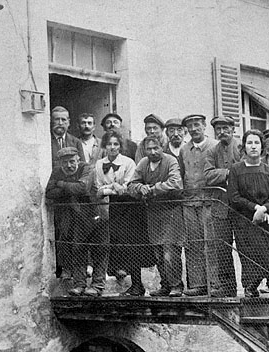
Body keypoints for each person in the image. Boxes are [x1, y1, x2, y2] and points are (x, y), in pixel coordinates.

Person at [228, 130, 269, 313]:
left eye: (257, 143)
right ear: (244, 146)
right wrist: (256, 209)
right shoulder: (236, 170)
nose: (253, 146)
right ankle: (251, 289)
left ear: (262, 147)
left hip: (267, 220)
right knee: (253, 259)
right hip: (246, 222)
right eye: (249, 143)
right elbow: (234, 197)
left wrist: (265, 208)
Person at [93, 131, 152, 290]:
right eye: (109, 144)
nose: (112, 147)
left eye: (116, 144)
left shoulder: (129, 163)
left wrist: (110, 189)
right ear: (105, 146)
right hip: (110, 207)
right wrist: (112, 187)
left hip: (129, 207)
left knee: (130, 244)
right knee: (115, 242)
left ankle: (137, 285)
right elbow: (98, 188)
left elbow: (127, 187)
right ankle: (119, 275)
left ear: (120, 146)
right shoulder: (99, 164)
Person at [127, 135, 183, 296]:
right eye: (149, 149)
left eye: (155, 148)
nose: (152, 152)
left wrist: (152, 189)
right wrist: (139, 188)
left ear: (162, 147)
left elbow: (175, 182)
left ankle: (176, 285)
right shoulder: (143, 163)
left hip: (170, 212)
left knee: (170, 251)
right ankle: (165, 285)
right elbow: (131, 184)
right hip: (152, 213)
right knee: (158, 251)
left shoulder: (170, 161)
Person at [45, 147, 104, 296]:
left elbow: (82, 188)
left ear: (78, 159)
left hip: (96, 214)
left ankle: (97, 285)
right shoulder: (57, 172)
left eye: (72, 161)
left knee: (99, 250)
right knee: (78, 249)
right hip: (77, 216)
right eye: (65, 163)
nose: (69, 166)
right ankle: (80, 284)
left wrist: (62, 184)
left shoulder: (87, 168)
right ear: (60, 163)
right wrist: (69, 187)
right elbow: (50, 193)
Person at [178, 114, 218, 296]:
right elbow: (181, 173)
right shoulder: (184, 149)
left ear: (204, 126)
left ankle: (214, 284)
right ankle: (197, 284)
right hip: (189, 202)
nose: (194, 129)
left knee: (210, 243)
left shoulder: (214, 146)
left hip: (209, 201)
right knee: (193, 243)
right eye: (190, 126)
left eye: (197, 125)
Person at [203, 115, 240, 297]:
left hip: (241, 206)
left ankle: (250, 286)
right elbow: (208, 175)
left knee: (245, 246)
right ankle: (227, 286)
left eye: (225, 128)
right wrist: (230, 173)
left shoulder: (241, 146)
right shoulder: (212, 151)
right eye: (218, 129)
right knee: (222, 248)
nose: (222, 132)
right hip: (220, 206)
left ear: (233, 129)